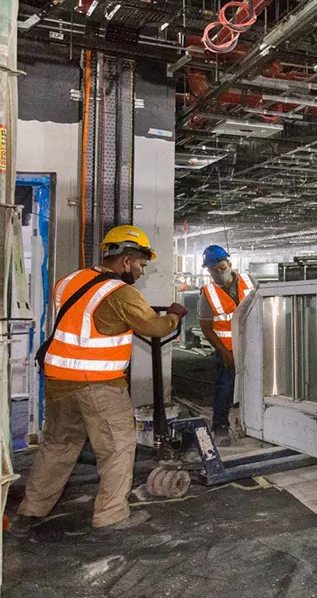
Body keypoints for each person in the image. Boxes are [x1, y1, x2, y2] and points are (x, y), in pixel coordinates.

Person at [12, 226, 187, 532]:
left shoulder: (68, 282)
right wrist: (173, 315)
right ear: (125, 261)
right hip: (99, 385)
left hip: (57, 382)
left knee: (58, 446)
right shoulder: (120, 292)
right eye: (141, 264)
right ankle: (111, 516)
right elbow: (156, 328)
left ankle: (31, 510)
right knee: (118, 447)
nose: (142, 271)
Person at [197, 245, 255, 446]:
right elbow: (206, 328)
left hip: (253, 345)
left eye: (222, 267)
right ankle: (219, 426)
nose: (219, 273)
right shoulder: (208, 294)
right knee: (226, 387)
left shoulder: (249, 281)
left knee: (255, 385)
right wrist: (225, 353)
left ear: (229, 264)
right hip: (227, 350)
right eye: (214, 270)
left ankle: (253, 423)